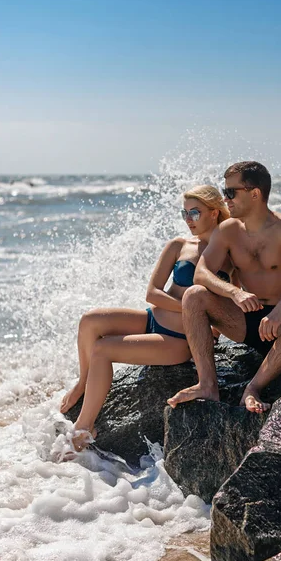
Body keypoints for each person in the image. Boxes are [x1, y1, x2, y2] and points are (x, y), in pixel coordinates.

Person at [59, 185, 233, 451]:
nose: (188, 219)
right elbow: (152, 294)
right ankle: (83, 382)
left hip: (179, 340)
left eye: (194, 213)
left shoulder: (230, 254)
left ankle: (83, 430)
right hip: (152, 318)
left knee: (103, 349)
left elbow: (234, 298)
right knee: (89, 320)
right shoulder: (179, 245)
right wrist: (189, 307)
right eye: (184, 213)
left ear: (214, 212)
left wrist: (209, 324)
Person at [167, 161, 281, 414]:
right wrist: (234, 292)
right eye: (224, 191)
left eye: (230, 192)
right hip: (247, 322)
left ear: (254, 193)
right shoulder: (228, 230)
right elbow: (201, 274)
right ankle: (207, 385)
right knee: (195, 295)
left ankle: (253, 388)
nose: (224, 198)